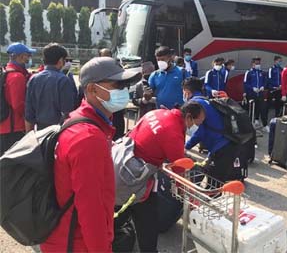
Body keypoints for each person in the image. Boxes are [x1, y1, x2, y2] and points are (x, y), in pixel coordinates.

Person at [40, 56, 141, 252]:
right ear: (92, 89)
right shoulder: (88, 138)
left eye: (126, 85)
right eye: (118, 85)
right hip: (76, 242)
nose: (124, 91)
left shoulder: (81, 120)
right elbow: (91, 207)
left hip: (67, 236)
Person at [125, 101, 205, 252]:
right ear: (188, 117)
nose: (194, 127)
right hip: (137, 176)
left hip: (123, 158)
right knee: (147, 218)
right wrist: (189, 196)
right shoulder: (173, 132)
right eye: (196, 123)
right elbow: (180, 173)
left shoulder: (158, 113)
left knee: (120, 211)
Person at [183, 77, 243, 182]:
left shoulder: (195, 105)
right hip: (224, 143)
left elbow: (200, 132)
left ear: (187, 92)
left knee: (214, 184)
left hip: (223, 147)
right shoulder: (204, 99)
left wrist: (186, 146)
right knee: (210, 176)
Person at [25, 43, 77, 131]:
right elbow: (68, 112)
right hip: (58, 129)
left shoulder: (33, 78)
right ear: (61, 61)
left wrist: (29, 135)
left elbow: (29, 112)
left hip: (39, 130)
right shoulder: (63, 80)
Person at [0, 43, 33, 155]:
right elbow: (18, 105)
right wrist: (30, 117)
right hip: (13, 128)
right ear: (20, 56)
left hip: (6, 126)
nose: (29, 58)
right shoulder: (17, 77)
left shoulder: (7, 71)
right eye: (27, 55)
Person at [243, 57, 268, 131]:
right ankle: (250, 125)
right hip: (251, 94)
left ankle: (265, 125)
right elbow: (245, 83)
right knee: (251, 110)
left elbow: (265, 81)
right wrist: (252, 88)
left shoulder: (261, 72)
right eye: (256, 63)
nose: (258, 65)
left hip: (260, 94)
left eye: (259, 63)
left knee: (263, 109)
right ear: (252, 64)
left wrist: (263, 86)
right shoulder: (249, 72)